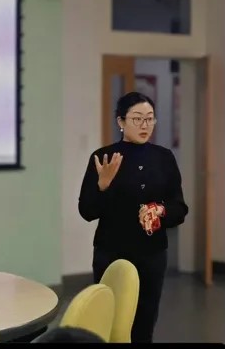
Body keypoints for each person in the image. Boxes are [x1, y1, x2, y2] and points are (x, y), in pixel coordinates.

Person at [78, 91, 188, 343]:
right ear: (121, 121)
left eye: (149, 118)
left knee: (144, 324)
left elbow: (180, 208)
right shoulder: (103, 157)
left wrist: (160, 211)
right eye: (137, 118)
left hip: (152, 254)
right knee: (110, 322)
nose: (144, 125)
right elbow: (87, 211)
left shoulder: (164, 158)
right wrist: (102, 186)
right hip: (111, 253)